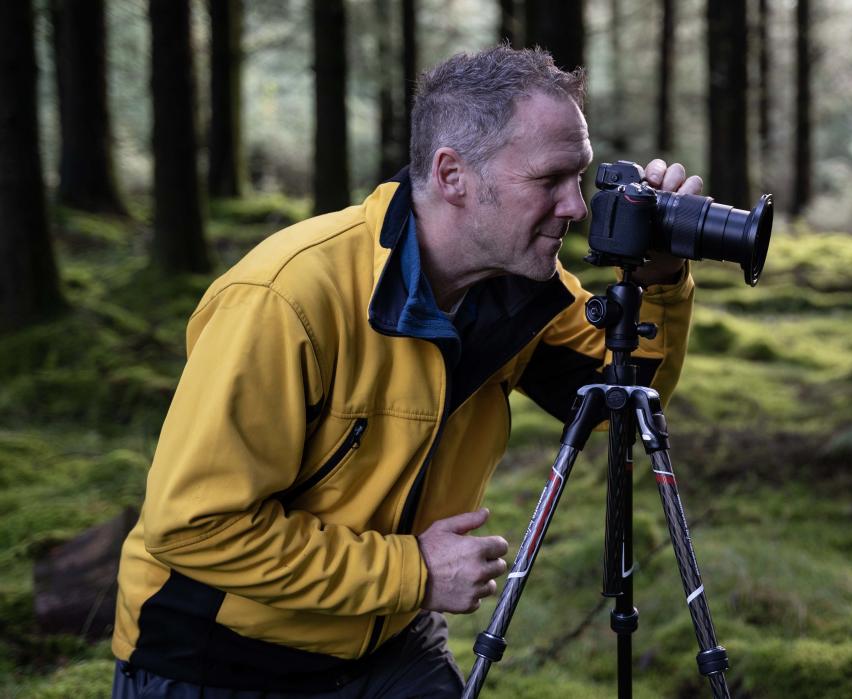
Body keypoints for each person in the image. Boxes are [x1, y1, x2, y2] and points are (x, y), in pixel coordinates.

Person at [111, 45, 699, 697]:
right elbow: (195, 526)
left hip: (387, 647)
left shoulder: (521, 288)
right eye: (549, 180)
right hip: (217, 658)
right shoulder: (287, 297)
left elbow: (626, 402)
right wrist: (412, 571)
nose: (576, 207)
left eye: (580, 177)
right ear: (453, 175)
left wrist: (661, 281)